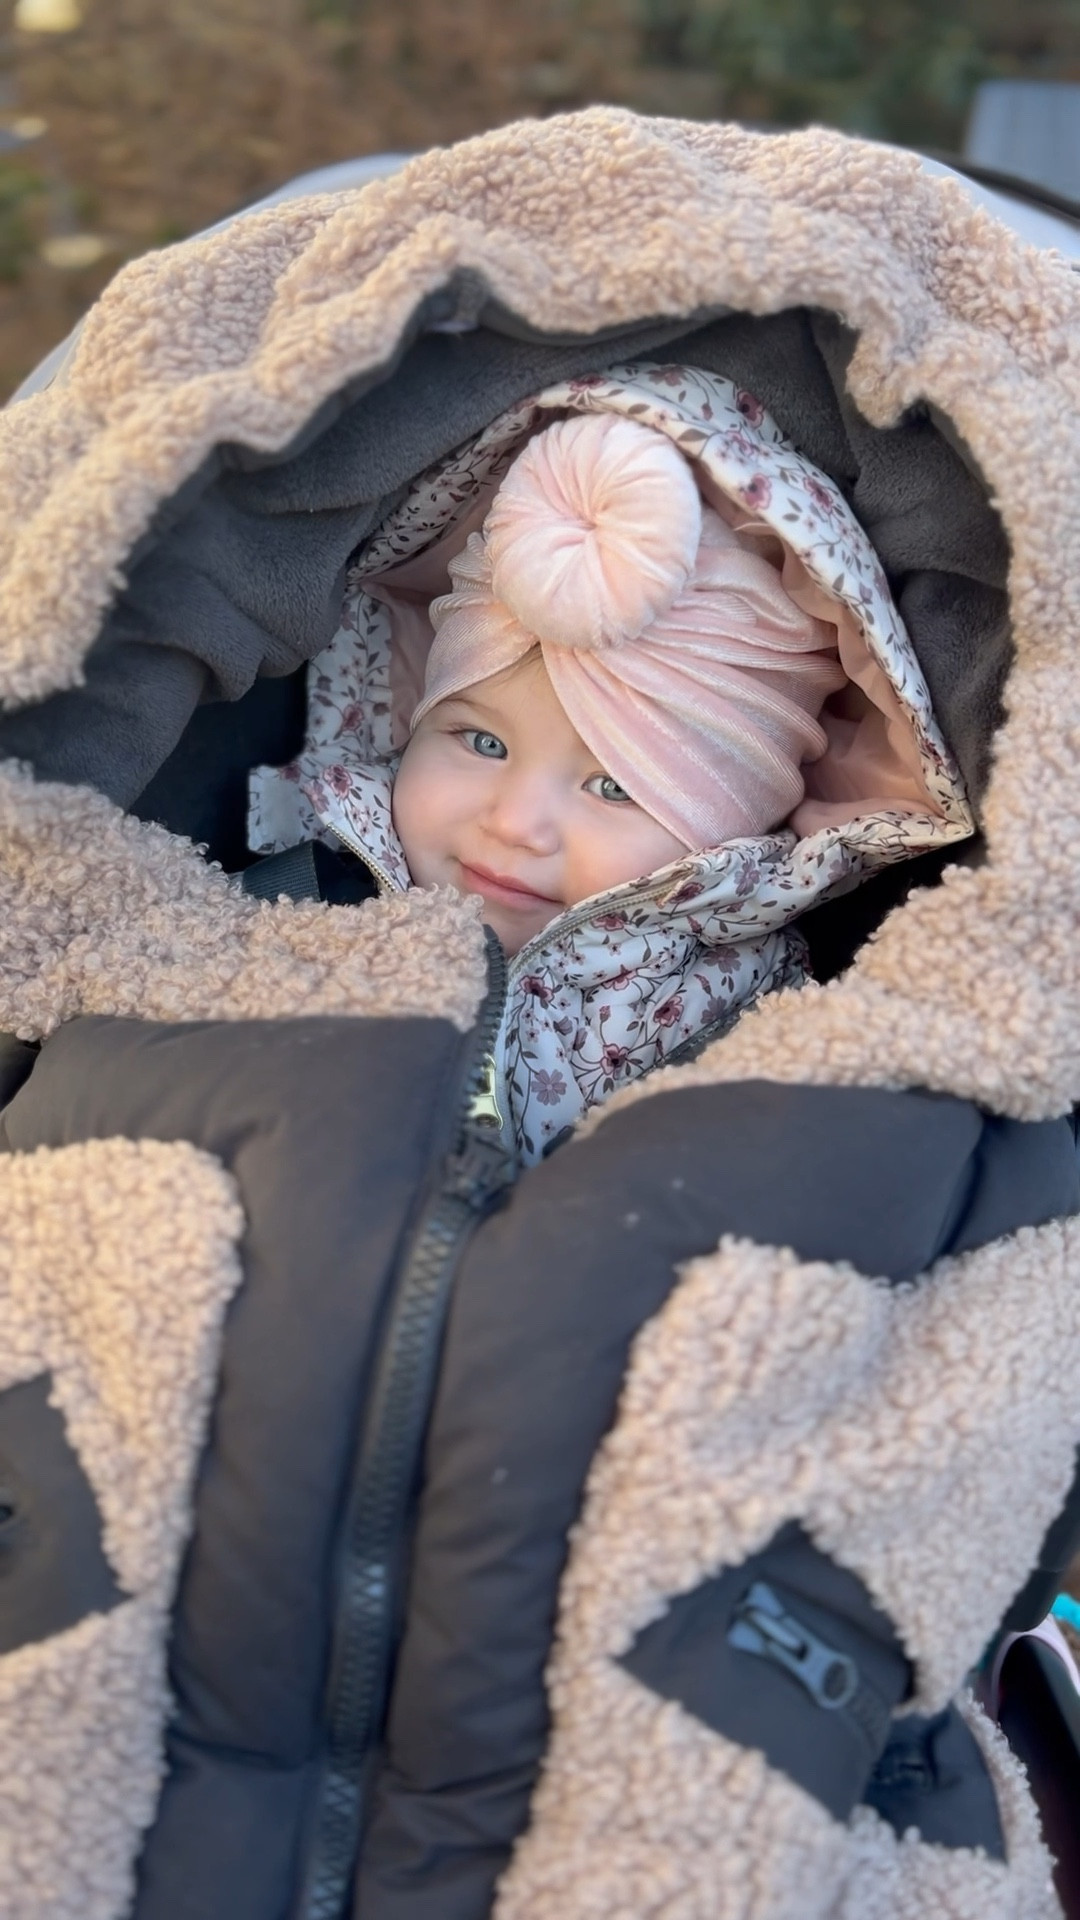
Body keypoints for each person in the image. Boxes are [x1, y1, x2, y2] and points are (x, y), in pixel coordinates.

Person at [249, 385, 965, 1161]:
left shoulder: (747, 1026)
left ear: (732, 834)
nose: (515, 824)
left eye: (615, 786)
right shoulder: (304, 873)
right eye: (481, 742)